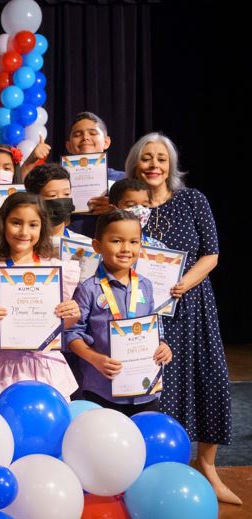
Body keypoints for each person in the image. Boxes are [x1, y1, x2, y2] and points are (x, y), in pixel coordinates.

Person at [126, 132, 239, 504]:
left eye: (161, 158)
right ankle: (159, 469)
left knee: (211, 379)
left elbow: (212, 254)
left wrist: (183, 283)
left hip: (192, 305)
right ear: (135, 164)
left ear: (170, 165)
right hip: (145, 309)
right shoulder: (127, 206)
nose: (154, 165)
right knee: (160, 387)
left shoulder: (192, 200)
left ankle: (207, 467)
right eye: (147, 158)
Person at [0, 192, 81, 406]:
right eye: (16, 223)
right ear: (3, 224)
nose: (24, 232)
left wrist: (72, 316)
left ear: (42, 228)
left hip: (46, 365)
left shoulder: (58, 270)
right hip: (4, 368)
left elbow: (59, 324)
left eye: (33, 225)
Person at [65, 210, 173, 415]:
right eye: (116, 241)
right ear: (97, 246)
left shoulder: (146, 285)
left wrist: (163, 345)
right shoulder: (88, 289)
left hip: (144, 388)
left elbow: (154, 327)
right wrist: (95, 359)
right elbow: (71, 334)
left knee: (143, 433)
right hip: (102, 389)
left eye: (134, 242)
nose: (126, 248)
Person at [24, 163, 91, 247]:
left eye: (66, 194)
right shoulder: (23, 244)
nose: (61, 200)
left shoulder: (85, 245)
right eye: (52, 195)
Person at [108, 178, 165, 247]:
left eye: (144, 206)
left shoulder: (158, 247)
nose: (140, 211)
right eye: (131, 205)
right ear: (112, 209)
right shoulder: (100, 245)